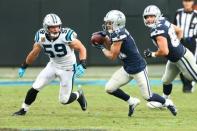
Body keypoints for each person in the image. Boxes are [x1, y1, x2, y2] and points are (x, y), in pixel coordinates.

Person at [91, 10, 177, 117]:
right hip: (127, 68)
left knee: (148, 96)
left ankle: (168, 103)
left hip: (138, 69)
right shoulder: (116, 33)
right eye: (107, 22)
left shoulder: (119, 34)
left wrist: (101, 47)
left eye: (109, 22)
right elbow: (113, 50)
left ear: (117, 23)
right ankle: (132, 101)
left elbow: (112, 56)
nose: (107, 25)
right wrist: (106, 39)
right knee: (109, 88)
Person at [13, 13, 87, 116]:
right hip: (53, 65)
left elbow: (81, 48)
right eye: (52, 27)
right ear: (46, 27)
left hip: (68, 68)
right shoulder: (41, 36)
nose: (56, 29)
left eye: (57, 26)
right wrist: (24, 66)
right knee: (35, 87)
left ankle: (79, 94)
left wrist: (82, 63)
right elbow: (34, 53)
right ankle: (23, 110)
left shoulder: (66, 35)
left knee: (64, 100)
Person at [143, 5, 197, 101]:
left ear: (157, 16)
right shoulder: (163, 21)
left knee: (193, 77)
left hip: (182, 58)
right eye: (147, 17)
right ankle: (164, 101)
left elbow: (164, 51)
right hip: (174, 59)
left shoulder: (157, 30)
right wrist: (176, 44)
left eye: (152, 16)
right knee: (166, 80)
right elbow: (179, 31)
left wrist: (152, 54)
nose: (149, 19)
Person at [174, 0, 197, 93]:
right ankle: (186, 85)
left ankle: (190, 84)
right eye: (185, 1)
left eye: (189, 1)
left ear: (193, 3)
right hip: (180, 41)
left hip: (192, 41)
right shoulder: (178, 13)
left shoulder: (196, 14)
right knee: (180, 63)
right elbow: (173, 26)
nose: (187, 3)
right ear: (183, 2)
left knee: (192, 63)